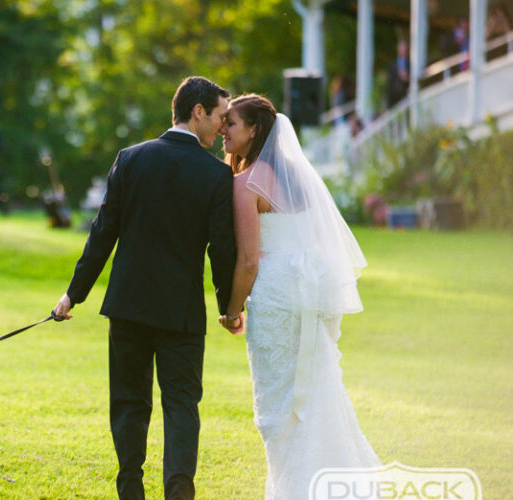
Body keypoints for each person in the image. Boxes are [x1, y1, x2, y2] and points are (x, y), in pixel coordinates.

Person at [52, 76, 237, 500]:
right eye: (220, 117)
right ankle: (178, 493)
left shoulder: (130, 158)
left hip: (128, 306)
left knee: (130, 402)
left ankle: (130, 490)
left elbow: (102, 234)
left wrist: (72, 295)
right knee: (181, 406)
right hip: (181, 313)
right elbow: (221, 252)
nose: (222, 128)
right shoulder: (215, 174)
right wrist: (229, 306)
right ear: (197, 112)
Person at [219, 94, 380, 499]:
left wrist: (232, 310)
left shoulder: (245, 183)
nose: (223, 130)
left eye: (231, 124)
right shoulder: (301, 179)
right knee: (318, 389)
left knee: (277, 409)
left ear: (254, 130)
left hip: (274, 296)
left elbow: (249, 262)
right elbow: (320, 245)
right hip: (308, 293)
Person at [387, 39, 410, 108]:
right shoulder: (392, 65)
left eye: (405, 48)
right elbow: (390, 83)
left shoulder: (411, 63)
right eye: (402, 47)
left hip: (406, 94)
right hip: (395, 96)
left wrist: (407, 78)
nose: (404, 50)